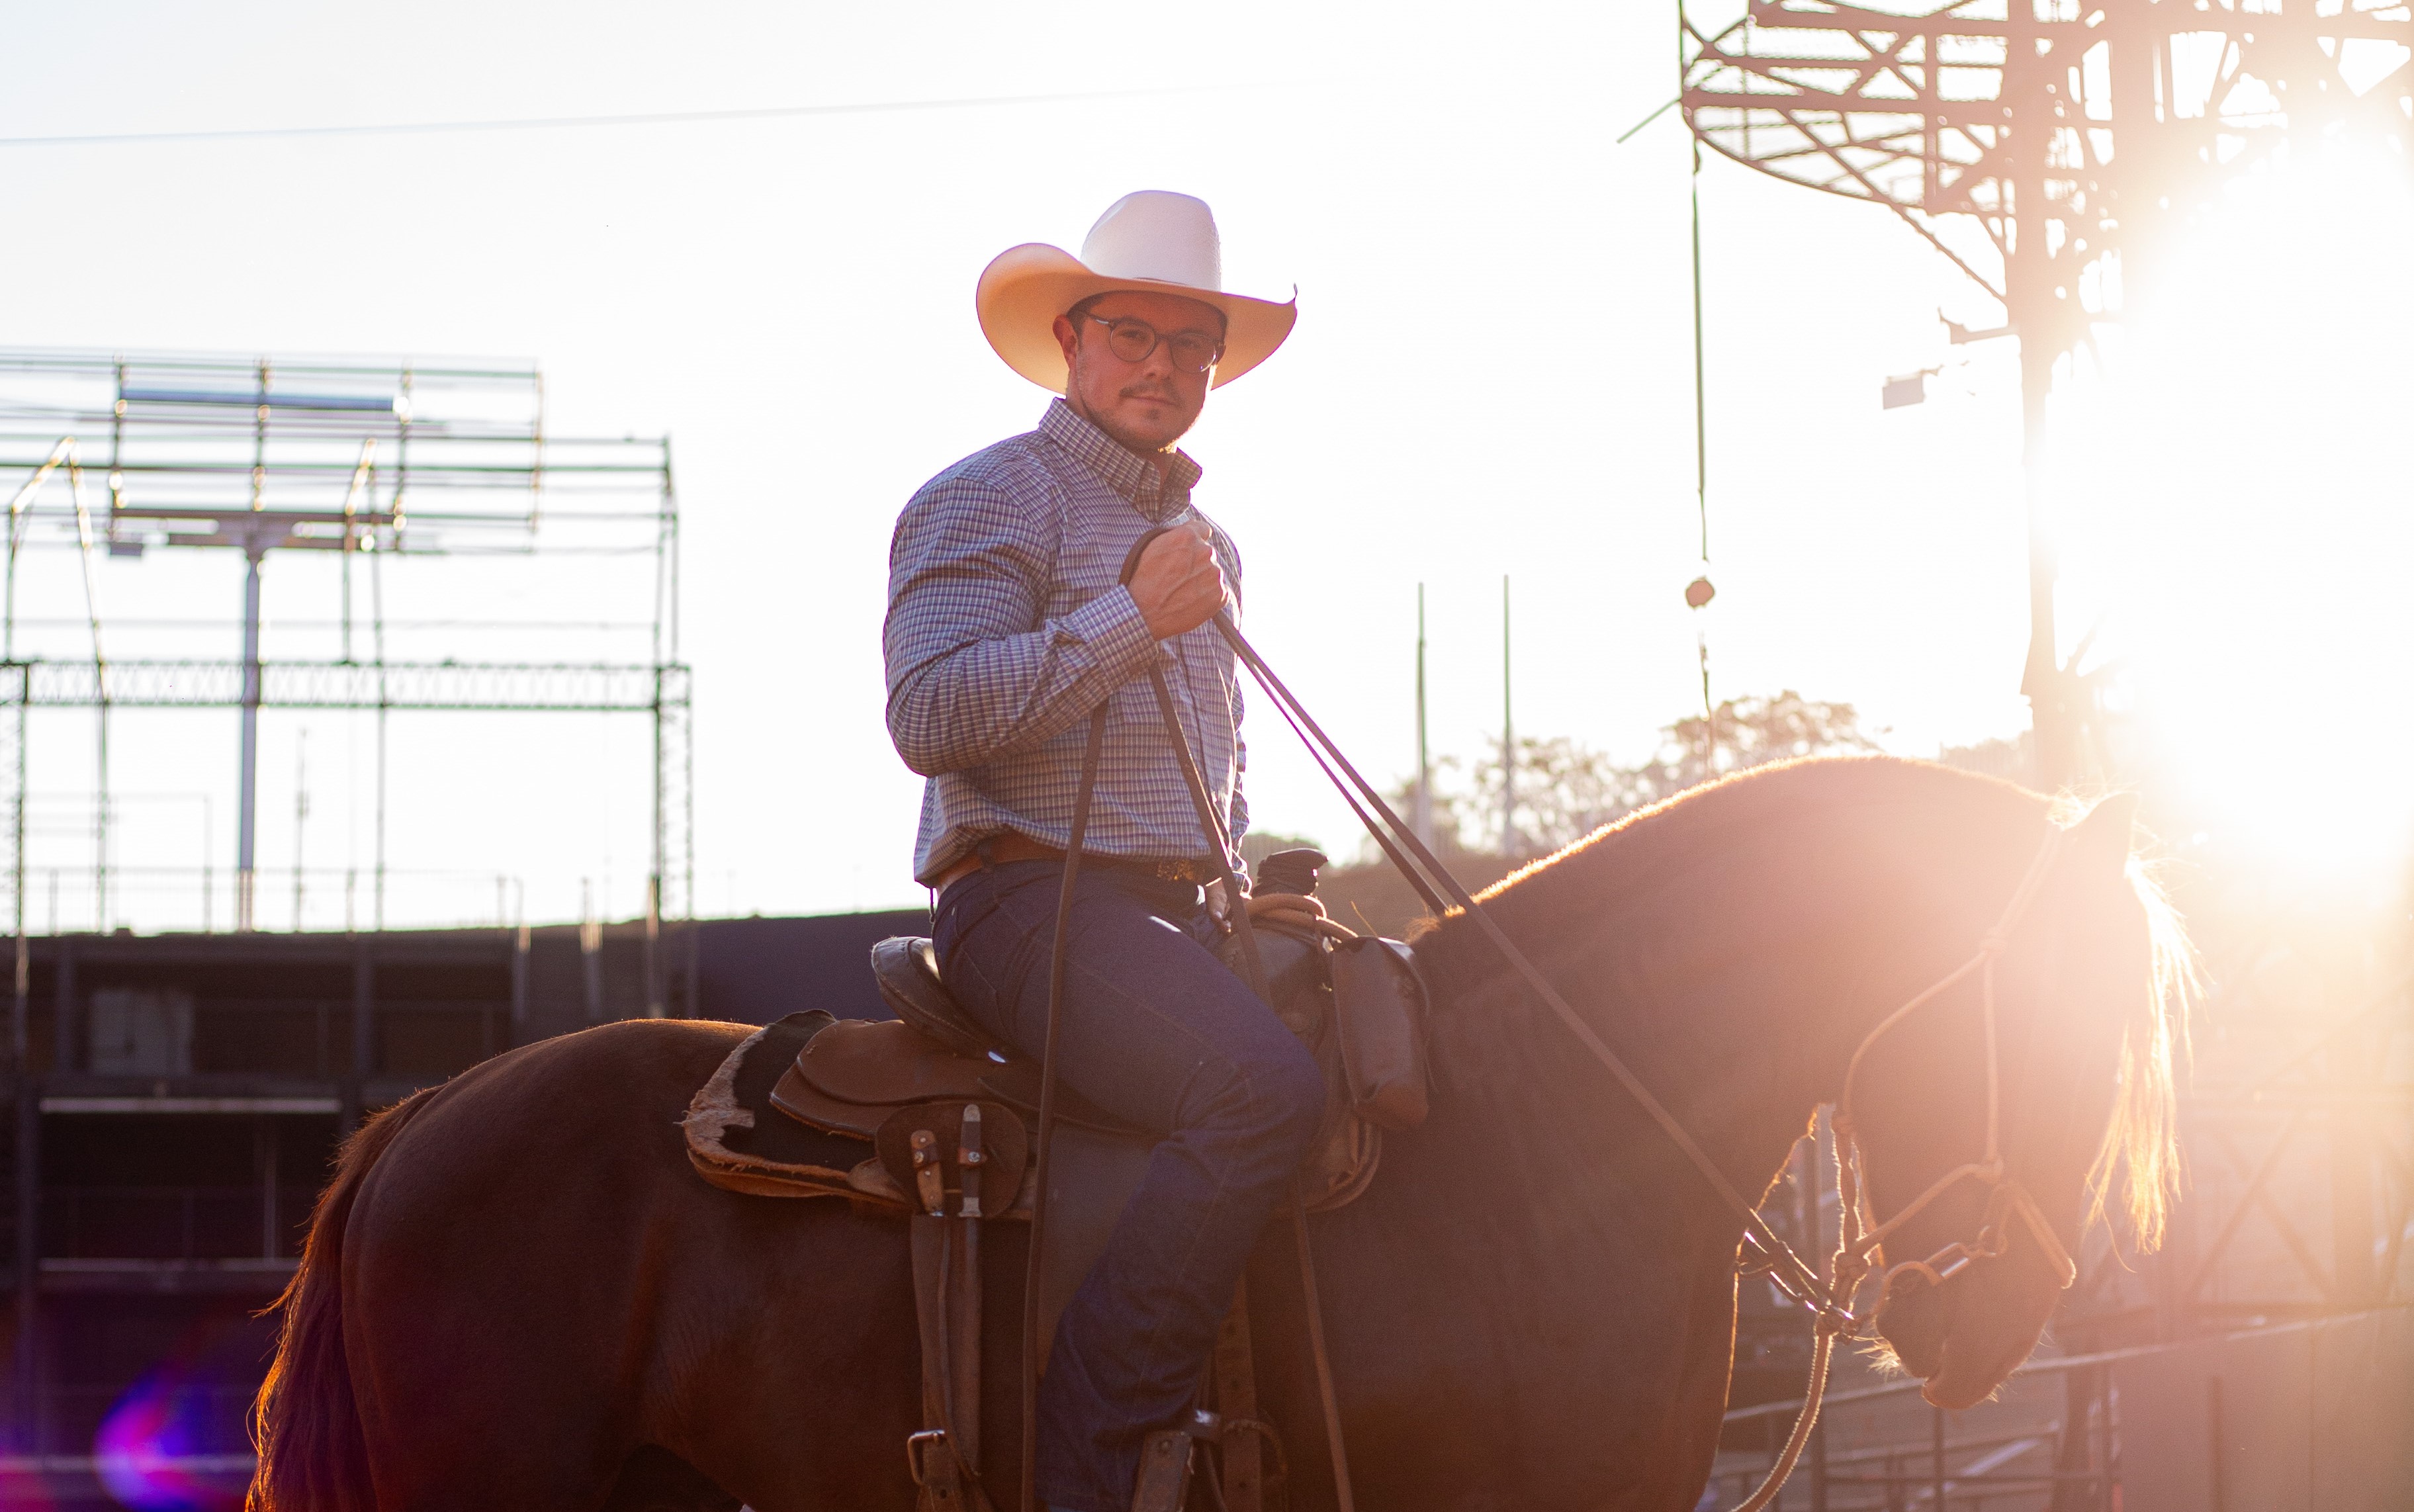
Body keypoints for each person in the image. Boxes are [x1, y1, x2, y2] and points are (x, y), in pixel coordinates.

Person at [883, 191, 1321, 1512]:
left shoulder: (1212, 547)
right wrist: (1130, 620)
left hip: (1177, 920)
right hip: (1026, 903)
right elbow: (929, 715)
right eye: (1135, 333)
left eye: (1193, 345)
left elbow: (1211, 784)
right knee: (1258, 1093)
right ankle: (1086, 1461)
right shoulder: (986, 497)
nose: (1164, 367)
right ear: (1071, 338)